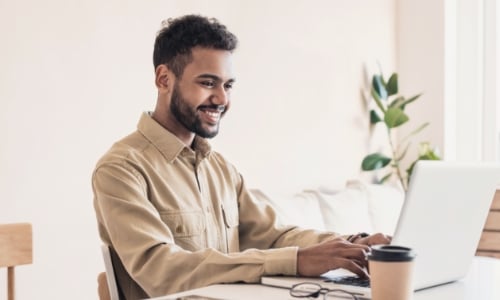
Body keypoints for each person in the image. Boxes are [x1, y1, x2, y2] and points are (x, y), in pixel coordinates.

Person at [92, 14, 390, 300]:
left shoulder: (221, 169)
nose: (222, 99)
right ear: (164, 79)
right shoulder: (120, 170)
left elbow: (273, 236)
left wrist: (348, 245)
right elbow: (162, 270)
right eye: (208, 83)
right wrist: (295, 261)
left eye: (228, 85)